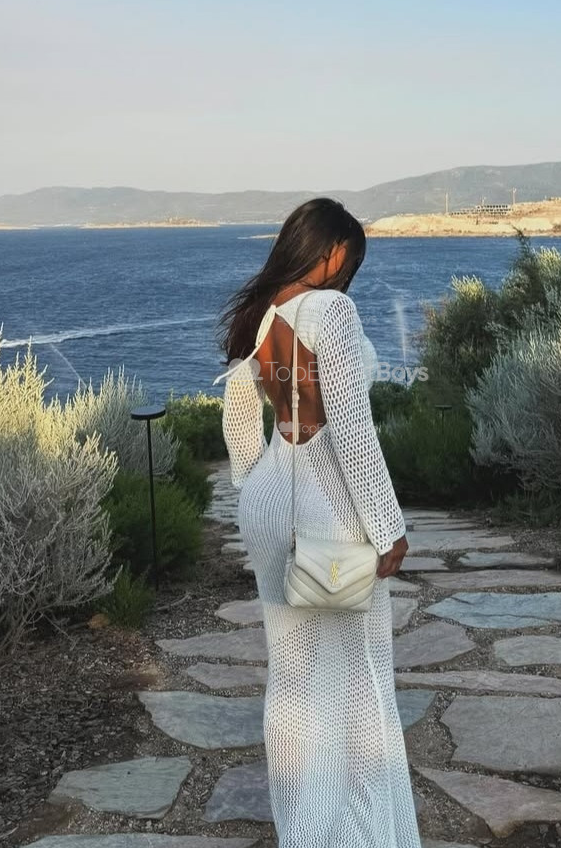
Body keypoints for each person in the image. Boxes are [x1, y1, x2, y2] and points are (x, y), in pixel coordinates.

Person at [213, 197, 418, 848]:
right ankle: (361, 832)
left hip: (273, 502)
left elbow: (238, 416)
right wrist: (387, 525)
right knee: (359, 676)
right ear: (327, 249)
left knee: (293, 676)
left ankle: (303, 828)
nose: (350, 270)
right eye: (349, 256)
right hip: (329, 509)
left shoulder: (263, 312)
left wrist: (255, 486)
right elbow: (352, 429)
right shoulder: (330, 311)